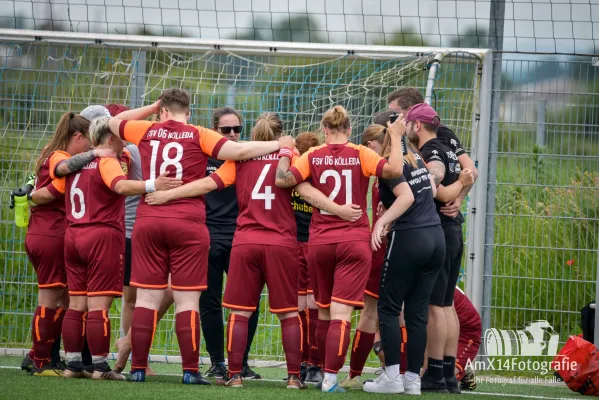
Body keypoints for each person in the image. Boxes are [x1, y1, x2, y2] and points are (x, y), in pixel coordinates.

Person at [144, 112, 361, 388]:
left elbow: (207, 184)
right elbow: (307, 190)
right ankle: (294, 378)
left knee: (239, 312)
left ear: (254, 135)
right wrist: (339, 211)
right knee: (288, 313)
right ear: (281, 133)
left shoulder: (240, 160)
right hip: (282, 244)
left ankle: (234, 376)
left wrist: (166, 195)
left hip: (245, 242)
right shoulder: (291, 157)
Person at [106, 88, 289, 384]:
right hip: (189, 223)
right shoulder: (198, 134)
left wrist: (152, 107)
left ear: (163, 110)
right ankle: (190, 372)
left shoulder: (147, 129)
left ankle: (138, 368)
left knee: (147, 299)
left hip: (149, 218)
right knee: (188, 301)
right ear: (188, 112)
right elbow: (239, 151)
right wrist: (279, 144)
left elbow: (114, 122)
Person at [274, 105, 404, 392]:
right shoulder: (361, 153)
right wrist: (395, 137)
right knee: (342, 313)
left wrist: (285, 153)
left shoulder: (312, 155)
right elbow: (394, 169)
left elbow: (284, 181)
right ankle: (331, 379)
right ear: (349, 129)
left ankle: (319, 371)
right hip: (354, 241)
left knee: (323, 310)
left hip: (319, 241)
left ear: (324, 129)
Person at [61, 116, 181, 380]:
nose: (125, 139)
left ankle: (72, 365)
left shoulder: (75, 163)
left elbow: (60, 171)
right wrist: (153, 185)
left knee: (76, 305)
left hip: (72, 234)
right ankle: (101, 368)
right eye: (120, 134)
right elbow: (120, 186)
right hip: (100, 234)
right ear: (111, 137)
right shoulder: (107, 161)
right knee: (98, 306)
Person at [386, 88, 478, 393]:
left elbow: (437, 174)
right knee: (445, 304)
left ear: (413, 122)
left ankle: (436, 374)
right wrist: (461, 193)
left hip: (436, 228)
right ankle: (447, 374)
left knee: (435, 307)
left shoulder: (430, 149)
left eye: (399, 116)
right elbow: (469, 171)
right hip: (451, 230)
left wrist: (435, 184)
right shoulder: (447, 139)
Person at [17, 112, 115, 377]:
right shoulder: (60, 157)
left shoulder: (51, 152)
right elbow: (55, 188)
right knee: (49, 299)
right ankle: (40, 359)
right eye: (88, 143)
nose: (91, 147)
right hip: (50, 233)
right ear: (78, 137)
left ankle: (44, 356)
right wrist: (34, 198)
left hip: (47, 233)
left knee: (62, 298)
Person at [362, 108, 446, 394]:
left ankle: (392, 378)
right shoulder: (415, 156)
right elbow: (430, 192)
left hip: (410, 238)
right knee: (417, 312)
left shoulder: (389, 165)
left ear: (378, 141)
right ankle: (412, 380)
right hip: (436, 237)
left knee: (387, 307)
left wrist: (382, 221)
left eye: (368, 144)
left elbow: (406, 196)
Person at [201, 107, 260, 381]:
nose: (233, 134)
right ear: (215, 131)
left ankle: (242, 363)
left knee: (249, 303)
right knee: (209, 301)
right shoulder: (201, 156)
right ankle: (217, 363)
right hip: (209, 237)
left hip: (241, 237)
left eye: (237, 129)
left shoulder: (247, 156)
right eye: (226, 130)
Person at [340, 124, 387, 389]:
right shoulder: (399, 164)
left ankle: (356, 374)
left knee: (371, 313)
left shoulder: (388, 170)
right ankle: (402, 373)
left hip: (382, 246)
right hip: (404, 244)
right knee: (399, 312)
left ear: (370, 146)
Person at [292, 131, 323, 383]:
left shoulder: (290, 174)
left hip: (297, 243)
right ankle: (314, 364)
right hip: (313, 241)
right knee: (314, 304)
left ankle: (302, 363)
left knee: (300, 305)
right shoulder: (320, 173)